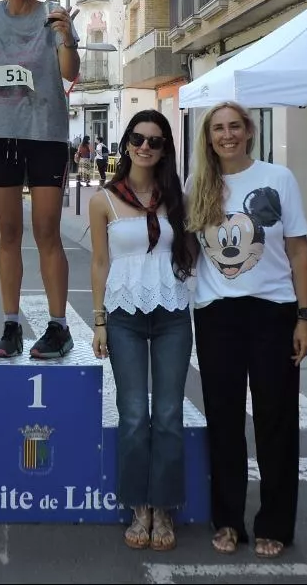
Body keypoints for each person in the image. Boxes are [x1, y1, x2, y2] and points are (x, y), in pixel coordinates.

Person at [185, 100, 307, 559]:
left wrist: (304, 316)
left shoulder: (278, 180)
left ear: (249, 132)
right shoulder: (198, 184)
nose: (227, 135)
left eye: (234, 126)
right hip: (217, 315)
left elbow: (298, 252)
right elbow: (186, 253)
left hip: (274, 313)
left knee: (276, 421)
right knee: (223, 421)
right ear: (209, 136)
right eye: (218, 128)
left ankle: (275, 522)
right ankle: (228, 521)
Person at [88, 110, 196, 552]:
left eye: (154, 140)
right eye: (138, 138)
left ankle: (165, 506)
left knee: (169, 415)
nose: (145, 146)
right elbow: (99, 263)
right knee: (133, 414)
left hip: (172, 313)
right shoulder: (103, 200)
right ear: (126, 143)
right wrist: (98, 320)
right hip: (124, 315)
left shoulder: (177, 196)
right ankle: (139, 506)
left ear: (165, 147)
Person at [0, 0, 80, 360]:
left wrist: (68, 37)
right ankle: (11, 325)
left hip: (46, 133)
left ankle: (58, 327)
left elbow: (69, 72)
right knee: (8, 234)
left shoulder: (51, 15)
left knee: (46, 232)